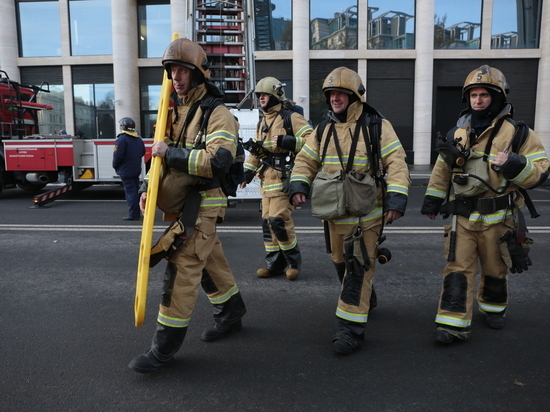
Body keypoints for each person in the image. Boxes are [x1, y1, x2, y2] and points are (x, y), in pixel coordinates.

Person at [128, 38, 246, 373]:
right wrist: (147, 187)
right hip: (182, 202)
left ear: (197, 74)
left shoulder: (217, 113)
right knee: (210, 262)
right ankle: (231, 312)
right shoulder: (173, 110)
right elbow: (158, 160)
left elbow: (218, 161)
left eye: (183, 70)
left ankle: (163, 350)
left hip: (205, 203)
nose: (176, 76)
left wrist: (172, 154)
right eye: (171, 70)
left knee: (182, 266)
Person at [421, 65, 549, 344]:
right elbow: (442, 169)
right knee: (457, 269)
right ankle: (452, 325)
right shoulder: (458, 132)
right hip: (462, 218)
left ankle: (493, 308)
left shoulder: (518, 133)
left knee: (495, 270)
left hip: (499, 219)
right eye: (473, 95)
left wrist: (515, 164)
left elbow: (540, 171)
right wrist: (432, 200)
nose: (477, 101)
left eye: (484, 95)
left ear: (498, 97)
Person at [288, 67, 410, 355]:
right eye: (331, 93)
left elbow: (396, 162)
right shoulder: (322, 130)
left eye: (341, 93)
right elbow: (305, 161)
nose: (335, 98)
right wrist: (298, 185)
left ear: (355, 96)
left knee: (356, 269)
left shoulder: (377, 126)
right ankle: (368, 297)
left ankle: (349, 330)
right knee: (341, 264)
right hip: (334, 215)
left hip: (365, 216)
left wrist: (396, 199)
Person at [240, 77, 313, 280]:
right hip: (266, 180)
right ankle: (274, 265)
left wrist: (289, 141)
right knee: (267, 224)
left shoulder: (291, 117)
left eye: (264, 95)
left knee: (278, 220)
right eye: (259, 95)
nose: (261, 98)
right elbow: (256, 152)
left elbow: (312, 141)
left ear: (275, 96)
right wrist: (247, 172)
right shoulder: (262, 121)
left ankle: (293, 262)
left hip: (284, 179)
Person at [112, 117, 145, 221]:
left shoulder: (121, 139)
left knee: (130, 193)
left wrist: (115, 166)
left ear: (122, 126)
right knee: (135, 191)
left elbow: (117, 156)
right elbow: (143, 152)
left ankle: (133, 215)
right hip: (136, 169)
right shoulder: (138, 139)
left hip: (126, 170)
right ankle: (138, 211)